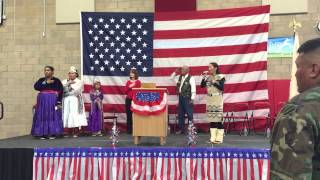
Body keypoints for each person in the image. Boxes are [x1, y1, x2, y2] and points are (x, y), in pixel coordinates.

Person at [271, 38, 320, 179]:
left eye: (298, 67)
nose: (296, 73)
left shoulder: (301, 109)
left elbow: (287, 175)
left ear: (313, 70)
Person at [31, 66, 64, 139]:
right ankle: (42, 133)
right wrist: (45, 82)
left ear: (52, 72)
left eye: (48, 70)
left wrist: (58, 102)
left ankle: (52, 133)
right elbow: (36, 87)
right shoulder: (41, 80)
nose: (46, 72)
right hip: (42, 101)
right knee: (42, 115)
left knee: (52, 116)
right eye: (45, 70)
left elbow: (61, 91)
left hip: (52, 100)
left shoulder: (56, 80)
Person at [200, 62, 225, 144]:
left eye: (210, 67)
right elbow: (202, 85)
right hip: (210, 99)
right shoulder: (208, 77)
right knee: (212, 119)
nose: (209, 68)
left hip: (217, 99)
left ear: (215, 68)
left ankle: (219, 138)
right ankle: (212, 138)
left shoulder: (221, 77)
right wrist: (204, 77)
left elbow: (221, 88)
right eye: (208, 67)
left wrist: (214, 82)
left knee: (218, 119)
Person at [62, 66, 87, 138]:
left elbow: (75, 92)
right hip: (66, 100)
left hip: (75, 99)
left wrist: (67, 89)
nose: (71, 75)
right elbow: (63, 90)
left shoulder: (79, 81)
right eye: (70, 73)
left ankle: (76, 130)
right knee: (67, 113)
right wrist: (68, 84)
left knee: (75, 113)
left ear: (76, 74)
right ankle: (69, 130)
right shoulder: (64, 81)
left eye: (73, 73)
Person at [171, 66, 196, 134]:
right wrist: (176, 71)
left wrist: (192, 99)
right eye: (181, 69)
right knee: (180, 114)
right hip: (181, 98)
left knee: (189, 114)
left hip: (188, 98)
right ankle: (182, 129)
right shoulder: (180, 77)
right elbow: (171, 78)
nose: (181, 70)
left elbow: (193, 89)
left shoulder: (191, 78)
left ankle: (191, 130)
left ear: (187, 70)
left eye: (183, 69)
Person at [124, 69, 141, 134]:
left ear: (135, 74)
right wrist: (130, 87)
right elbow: (125, 91)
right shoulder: (128, 82)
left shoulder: (138, 82)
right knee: (129, 114)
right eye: (130, 73)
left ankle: (136, 129)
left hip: (135, 100)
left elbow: (139, 91)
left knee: (136, 114)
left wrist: (134, 85)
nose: (131, 74)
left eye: (132, 73)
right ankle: (129, 130)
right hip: (128, 99)